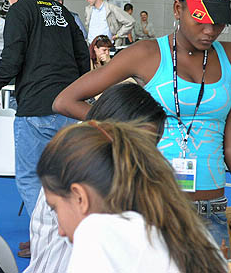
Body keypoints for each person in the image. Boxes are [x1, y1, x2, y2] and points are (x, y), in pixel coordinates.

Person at [53, 0, 231, 252]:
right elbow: (65, 101)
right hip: (153, 209)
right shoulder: (146, 54)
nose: (210, 30)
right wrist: (125, 129)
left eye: (218, 21)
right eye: (200, 18)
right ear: (177, 9)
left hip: (212, 214)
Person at [37, 120, 227, 273]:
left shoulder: (96, 232)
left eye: (55, 207)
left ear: (80, 197)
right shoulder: (187, 229)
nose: (60, 231)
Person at [25, 83, 168, 272]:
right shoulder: (82, 167)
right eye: (137, 143)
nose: (145, 153)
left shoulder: (105, 162)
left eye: (151, 145)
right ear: (110, 131)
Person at [0, 0, 89, 219]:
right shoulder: (61, 10)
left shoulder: (19, 10)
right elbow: (82, 54)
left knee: (31, 177)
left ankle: (47, 236)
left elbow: (11, 57)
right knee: (65, 178)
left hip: (36, 107)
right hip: (70, 106)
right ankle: (69, 234)